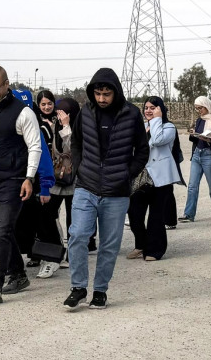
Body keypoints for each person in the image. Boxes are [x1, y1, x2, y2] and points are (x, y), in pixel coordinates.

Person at [63, 68, 150, 310]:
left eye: (106, 94)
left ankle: (100, 290)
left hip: (117, 192)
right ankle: (78, 288)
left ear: (116, 92)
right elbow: (76, 141)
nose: (101, 99)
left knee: (109, 245)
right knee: (77, 235)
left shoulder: (131, 114)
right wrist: (79, 167)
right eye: (98, 93)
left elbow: (142, 150)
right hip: (86, 186)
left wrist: (126, 174)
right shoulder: (85, 112)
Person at [0, 65, 43, 306]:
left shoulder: (23, 112)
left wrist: (29, 177)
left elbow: (35, 146)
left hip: (12, 180)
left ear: (6, 85)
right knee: (0, 231)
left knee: (2, 231)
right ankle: (19, 274)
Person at [128, 97, 182, 261]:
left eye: (153, 107)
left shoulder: (169, 127)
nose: (148, 110)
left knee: (156, 216)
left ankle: (154, 250)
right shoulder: (141, 127)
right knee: (134, 213)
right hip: (141, 176)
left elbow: (158, 140)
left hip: (161, 178)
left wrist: (157, 120)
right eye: (146, 107)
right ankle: (141, 244)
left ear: (161, 109)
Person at [11, 89, 57, 276]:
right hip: (15, 183)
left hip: (35, 183)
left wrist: (45, 186)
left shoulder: (35, 128)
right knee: (20, 224)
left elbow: (44, 160)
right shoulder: (7, 126)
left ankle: (52, 259)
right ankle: (12, 261)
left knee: (44, 223)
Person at [38, 95, 78, 277]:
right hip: (58, 179)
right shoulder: (54, 126)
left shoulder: (78, 127)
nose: (61, 115)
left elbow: (72, 149)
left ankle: (73, 254)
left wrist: (67, 127)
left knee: (73, 220)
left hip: (75, 180)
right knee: (46, 213)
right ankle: (54, 251)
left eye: (65, 112)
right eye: (59, 112)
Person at [180, 96, 211, 222]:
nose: (199, 111)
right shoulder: (199, 120)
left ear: (207, 106)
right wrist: (193, 134)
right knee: (192, 186)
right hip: (197, 154)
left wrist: (208, 140)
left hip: (209, 156)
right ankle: (189, 214)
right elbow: (195, 139)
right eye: (196, 108)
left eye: (200, 108)